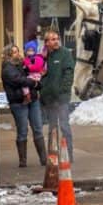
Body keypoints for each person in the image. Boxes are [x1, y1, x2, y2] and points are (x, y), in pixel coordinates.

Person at [0, 44, 46, 167]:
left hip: (32, 99)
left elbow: (32, 71)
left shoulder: (22, 64)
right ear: (8, 55)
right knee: (22, 130)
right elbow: (19, 80)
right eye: (14, 52)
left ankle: (44, 159)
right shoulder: (7, 68)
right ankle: (23, 161)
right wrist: (35, 83)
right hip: (18, 102)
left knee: (38, 128)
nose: (17, 54)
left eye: (17, 51)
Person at [39, 30, 75, 162]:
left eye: (56, 38)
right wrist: (43, 91)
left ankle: (68, 155)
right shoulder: (44, 56)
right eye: (52, 39)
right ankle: (52, 155)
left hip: (61, 98)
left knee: (64, 126)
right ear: (46, 42)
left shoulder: (65, 54)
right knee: (52, 128)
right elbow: (40, 74)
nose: (55, 41)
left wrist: (63, 91)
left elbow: (69, 74)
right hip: (48, 98)